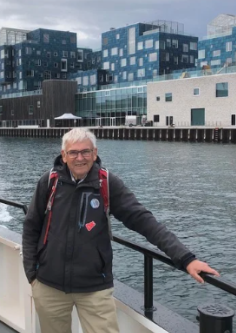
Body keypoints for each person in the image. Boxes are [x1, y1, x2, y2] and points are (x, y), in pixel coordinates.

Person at [23, 128, 219, 333]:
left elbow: (143, 220)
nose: (80, 158)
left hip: (95, 288)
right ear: (64, 155)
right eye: (73, 152)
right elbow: (31, 227)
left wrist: (185, 258)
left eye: (85, 152)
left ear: (95, 153)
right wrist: (32, 275)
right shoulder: (50, 182)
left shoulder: (106, 183)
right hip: (49, 285)